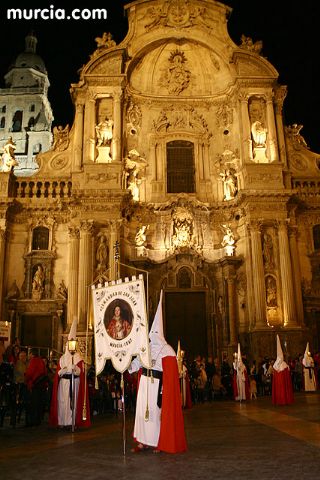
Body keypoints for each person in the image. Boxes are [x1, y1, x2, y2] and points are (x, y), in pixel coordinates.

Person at [128, 290, 187, 453]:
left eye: (155, 333)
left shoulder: (167, 350)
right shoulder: (145, 349)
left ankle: (157, 442)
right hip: (145, 384)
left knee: (155, 414)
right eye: (151, 333)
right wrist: (126, 363)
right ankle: (142, 441)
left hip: (157, 386)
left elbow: (170, 372)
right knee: (142, 412)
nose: (152, 336)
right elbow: (135, 364)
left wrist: (163, 388)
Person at [49, 317, 91, 429]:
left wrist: (75, 369)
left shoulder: (78, 357)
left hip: (74, 383)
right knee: (63, 402)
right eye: (68, 345)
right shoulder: (62, 358)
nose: (68, 347)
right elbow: (58, 372)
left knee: (73, 402)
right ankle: (63, 422)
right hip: (64, 383)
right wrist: (63, 370)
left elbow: (80, 372)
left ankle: (72, 422)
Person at [24, 349, 48, 426]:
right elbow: (44, 372)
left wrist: (26, 379)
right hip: (41, 385)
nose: (28, 356)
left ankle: (32, 421)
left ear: (32, 354)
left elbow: (30, 373)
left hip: (34, 385)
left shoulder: (33, 361)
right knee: (39, 404)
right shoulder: (41, 361)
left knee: (33, 404)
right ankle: (38, 420)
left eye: (29, 354)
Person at [272, 335, 294, 405]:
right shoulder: (279, 365)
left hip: (282, 382)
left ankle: (283, 399)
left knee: (282, 389)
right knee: (280, 390)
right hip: (279, 383)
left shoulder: (283, 364)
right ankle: (281, 399)